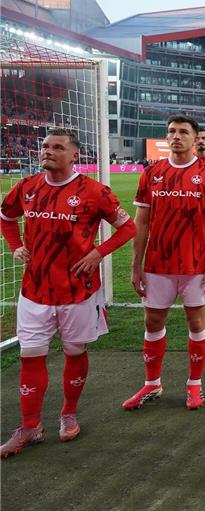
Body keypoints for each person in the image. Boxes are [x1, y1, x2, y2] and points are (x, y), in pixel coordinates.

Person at [0, 129, 136, 457]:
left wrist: (98, 253)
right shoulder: (27, 187)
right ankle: (30, 426)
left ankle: (68, 413)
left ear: (74, 155)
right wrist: (16, 246)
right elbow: (5, 218)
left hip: (79, 292)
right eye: (45, 146)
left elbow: (128, 227)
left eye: (57, 147)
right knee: (30, 356)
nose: (48, 151)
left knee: (75, 351)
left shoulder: (94, 191)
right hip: (34, 291)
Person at [124, 116, 205, 412]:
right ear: (166, 137)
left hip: (196, 265)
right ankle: (152, 383)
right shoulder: (152, 172)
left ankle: (195, 385)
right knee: (153, 322)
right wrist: (135, 265)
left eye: (183, 132)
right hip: (157, 264)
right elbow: (141, 223)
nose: (176, 136)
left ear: (195, 139)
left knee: (196, 322)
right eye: (171, 131)